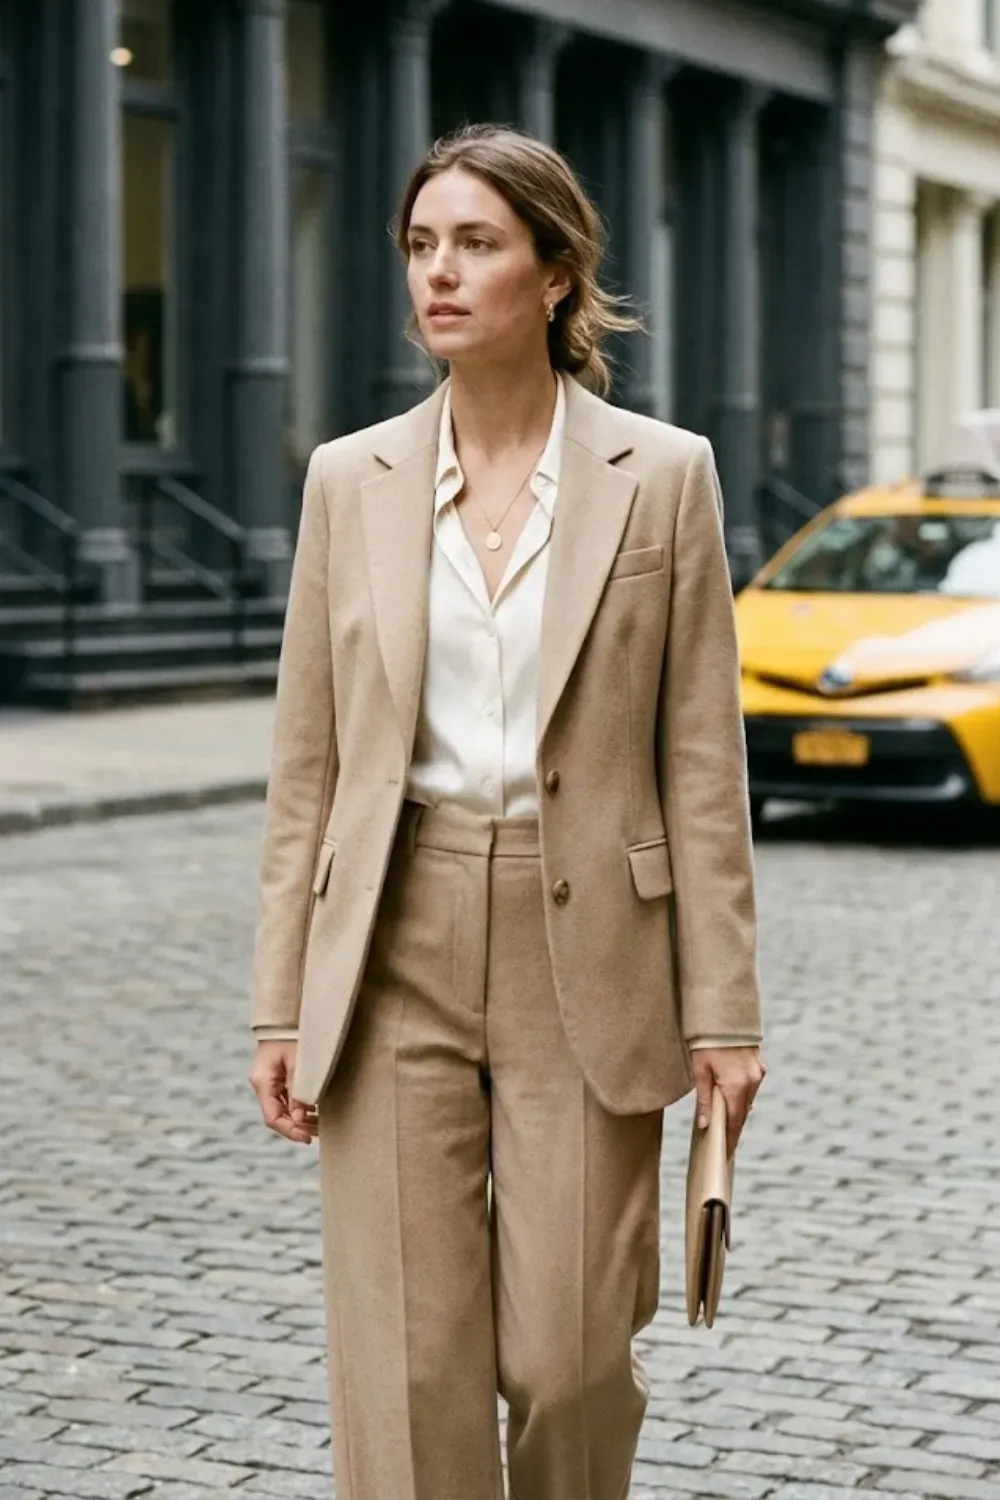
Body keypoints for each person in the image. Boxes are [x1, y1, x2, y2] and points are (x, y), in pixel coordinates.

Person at [249, 124, 765, 1500]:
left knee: (572, 1354)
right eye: (422, 245)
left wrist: (726, 1015)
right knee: (407, 1363)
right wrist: (279, 1004)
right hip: (392, 935)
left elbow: (703, 764)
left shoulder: (664, 475)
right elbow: (308, 764)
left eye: (477, 243)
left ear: (553, 272)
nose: (440, 273)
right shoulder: (346, 482)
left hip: (588, 948)